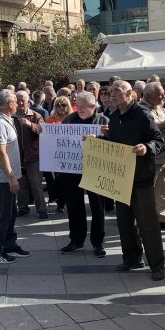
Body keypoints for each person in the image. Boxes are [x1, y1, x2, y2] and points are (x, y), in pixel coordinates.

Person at [102, 81, 165, 280]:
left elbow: (158, 140)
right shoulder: (113, 117)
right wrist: (96, 142)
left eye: (116, 91)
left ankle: (157, 264)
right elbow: (114, 145)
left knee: (148, 223)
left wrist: (146, 147)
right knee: (124, 222)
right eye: (111, 91)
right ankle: (132, 258)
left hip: (141, 178)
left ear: (130, 94)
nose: (112, 95)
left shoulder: (141, 114)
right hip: (120, 177)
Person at [59, 92, 110, 257]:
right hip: (73, 170)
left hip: (96, 170)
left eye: (83, 107)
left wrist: (98, 138)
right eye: (77, 106)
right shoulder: (69, 119)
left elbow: (114, 144)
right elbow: (58, 139)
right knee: (74, 206)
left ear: (93, 107)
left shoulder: (103, 121)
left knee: (97, 207)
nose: (78, 109)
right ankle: (76, 240)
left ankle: (98, 243)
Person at [0, 89, 29, 263]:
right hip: (3, 179)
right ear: (7, 103)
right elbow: (0, 152)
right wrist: (11, 177)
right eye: (14, 101)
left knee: (11, 213)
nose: (17, 104)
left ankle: (9, 245)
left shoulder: (7, 120)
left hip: (10, 177)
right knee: (3, 216)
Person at [138, 82, 165, 231]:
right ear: (148, 95)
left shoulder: (162, 109)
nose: (163, 96)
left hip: (163, 156)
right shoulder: (140, 109)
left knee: (164, 188)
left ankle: (163, 219)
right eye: (159, 94)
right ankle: (146, 221)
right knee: (148, 191)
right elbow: (149, 129)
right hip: (149, 158)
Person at [13, 90, 46, 219]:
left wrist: (30, 124)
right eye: (18, 100)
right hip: (17, 157)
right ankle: (23, 208)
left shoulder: (36, 116)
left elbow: (43, 131)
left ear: (28, 101)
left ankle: (42, 209)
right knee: (21, 185)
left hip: (33, 157)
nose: (21, 102)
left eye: (23, 100)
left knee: (36, 184)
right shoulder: (12, 116)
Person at [44, 95, 72, 211]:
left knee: (69, 181)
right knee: (59, 180)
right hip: (56, 155)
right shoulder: (50, 119)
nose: (61, 107)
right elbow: (46, 137)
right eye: (58, 105)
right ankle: (60, 204)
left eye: (63, 105)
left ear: (68, 106)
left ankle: (68, 202)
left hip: (71, 155)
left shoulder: (73, 118)